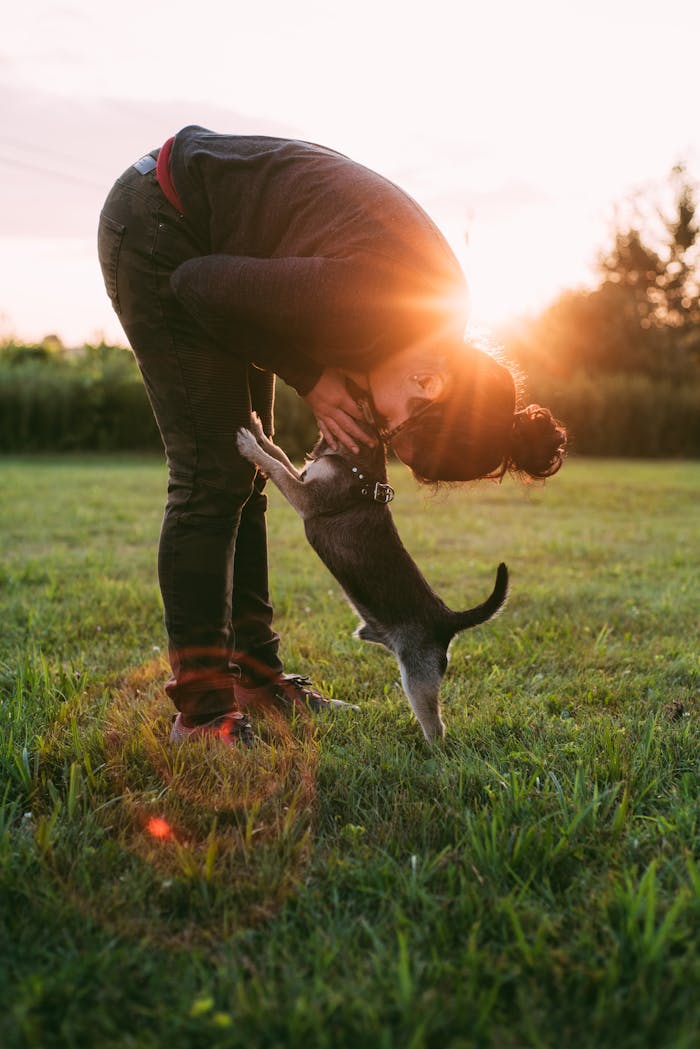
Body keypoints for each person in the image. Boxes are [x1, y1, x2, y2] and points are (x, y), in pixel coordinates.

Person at [97, 125, 566, 746]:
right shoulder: (375, 299)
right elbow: (195, 285)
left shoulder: (431, 319)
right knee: (212, 471)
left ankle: (256, 681)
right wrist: (310, 376)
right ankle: (203, 717)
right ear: (431, 383)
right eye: (394, 425)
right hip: (163, 223)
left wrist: (318, 371)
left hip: (212, 243)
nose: (377, 426)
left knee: (244, 477)